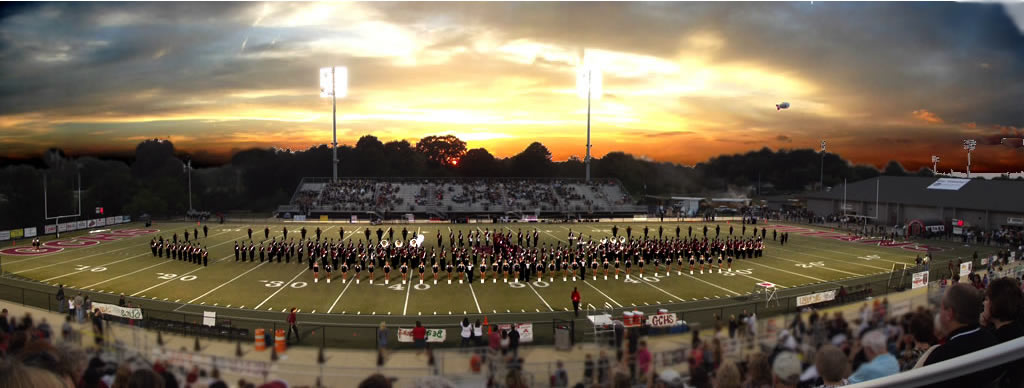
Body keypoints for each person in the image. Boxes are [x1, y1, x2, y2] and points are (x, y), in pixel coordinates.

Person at [921, 283, 999, 388]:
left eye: (942, 307)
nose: (939, 312)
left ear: (949, 313)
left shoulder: (940, 357)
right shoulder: (992, 340)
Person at [981, 277, 1024, 388]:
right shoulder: (1017, 330)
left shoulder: (993, 341)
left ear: (994, 304)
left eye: (986, 299)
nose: (984, 303)